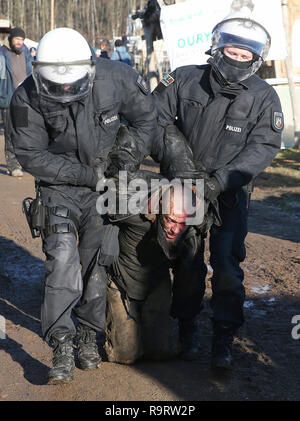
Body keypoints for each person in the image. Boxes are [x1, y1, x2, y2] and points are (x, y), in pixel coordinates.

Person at [10, 27, 157, 384]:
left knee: (96, 262)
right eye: (55, 86)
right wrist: (84, 175)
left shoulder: (116, 77)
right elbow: (30, 153)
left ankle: (89, 335)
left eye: (71, 85)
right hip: (59, 186)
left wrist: (126, 156)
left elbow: (145, 119)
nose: (64, 91)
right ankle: (61, 341)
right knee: (62, 259)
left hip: (105, 184)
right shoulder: (25, 98)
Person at [152, 12, 284, 370]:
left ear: (256, 59)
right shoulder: (184, 78)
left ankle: (223, 338)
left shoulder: (264, 97)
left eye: (246, 55)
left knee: (227, 265)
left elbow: (262, 148)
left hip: (229, 192)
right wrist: (181, 167)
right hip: (184, 188)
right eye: (232, 51)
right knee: (187, 262)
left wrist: (218, 182)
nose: (238, 59)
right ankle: (187, 330)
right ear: (218, 47)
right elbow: (154, 120)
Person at [103, 125, 217, 364]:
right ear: (156, 210)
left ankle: (179, 327)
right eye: (171, 219)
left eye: (183, 222)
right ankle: (95, 328)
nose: (176, 228)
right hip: (121, 283)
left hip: (156, 284)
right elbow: (110, 190)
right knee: (126, 355)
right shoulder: (131, 210)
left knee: (161, 353)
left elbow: (203, 207)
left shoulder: (190, 222)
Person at [0, 27, 32, 177]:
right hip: (8, 98)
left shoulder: (25, 53)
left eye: (22, 40)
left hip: (23, 99)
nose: (19, 42)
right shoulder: (3, 54)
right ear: (11, 39)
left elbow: (31, 73)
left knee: (22, 132)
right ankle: (13, 165)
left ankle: (23, 162)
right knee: (10, 132)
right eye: (17, 39)